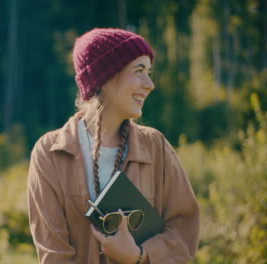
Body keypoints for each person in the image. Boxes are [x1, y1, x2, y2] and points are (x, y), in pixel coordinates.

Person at [27, 28, 200, 264]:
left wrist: (139, 256)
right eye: (139, 71)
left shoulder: (156, 147)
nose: (149, 84)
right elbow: (53, 254)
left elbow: (184, 231)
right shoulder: (50, 154)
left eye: (149, 72)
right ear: (105, 77)